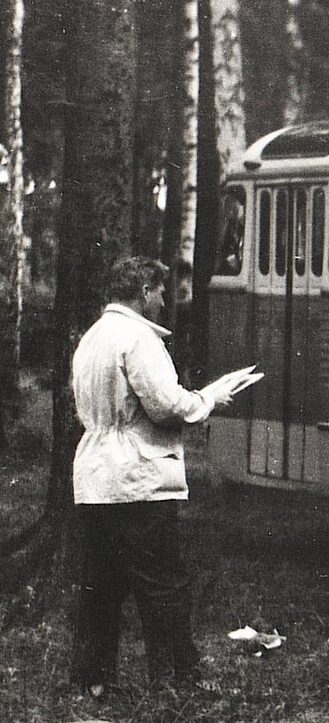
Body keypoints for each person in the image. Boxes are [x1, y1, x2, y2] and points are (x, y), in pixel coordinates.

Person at [70, 256, 238, 698]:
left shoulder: (92, 338)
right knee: (162, 584)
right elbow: (165, 405)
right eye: (160, 290)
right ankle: (179, 680)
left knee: (101, 586)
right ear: (143, 290)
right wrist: (208, 399)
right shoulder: (138, 338)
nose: (165, 300)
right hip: (137, 478)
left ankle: (94, 680)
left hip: (95, 479)